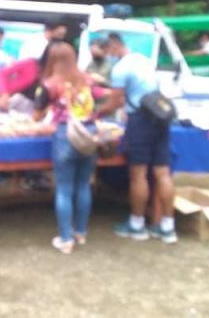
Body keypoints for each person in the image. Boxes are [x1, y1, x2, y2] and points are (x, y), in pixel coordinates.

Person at [33, 42, 105, 254]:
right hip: (88, 135)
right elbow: (101, 98)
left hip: (65, 135)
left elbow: (36, 115)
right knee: (83, 185)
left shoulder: (49, 85)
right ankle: (80, 232)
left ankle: (65, 239)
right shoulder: (87, 80)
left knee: (64, 188)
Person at [108, 34, 177, 244]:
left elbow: (115, 102)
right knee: (163, 173)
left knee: (138, 174)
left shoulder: (120, 68)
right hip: (160, 118)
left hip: (140, 122)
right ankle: (167, 227)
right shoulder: (145, 61)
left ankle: (137, 225)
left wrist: (96, 112)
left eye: (108, 50)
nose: (108, 55)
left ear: (114, 46)